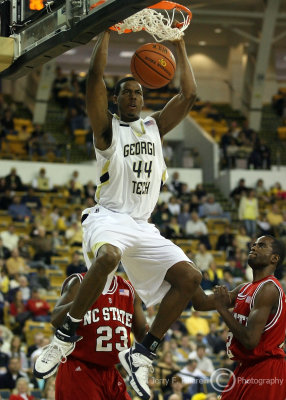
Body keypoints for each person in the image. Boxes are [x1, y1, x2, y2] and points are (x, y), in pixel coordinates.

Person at [34, 29, 201, 400]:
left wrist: (180, 45)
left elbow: (188, 94)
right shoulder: (107, 130)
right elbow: (94, 77)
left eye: (138, 91)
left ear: (144, 97)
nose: (133, 96)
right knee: (108, 256)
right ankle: (66, 335)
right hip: (107, 217)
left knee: (190, 277)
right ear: (115, 98)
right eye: (126, 91)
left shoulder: (154, 127)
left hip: (141, 226)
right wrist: (107, 29)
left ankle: (143, 353)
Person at [191, 235, 286, 400]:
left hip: (266, 368)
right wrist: (189, 274)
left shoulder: (269, 288)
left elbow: (250, 340)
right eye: (254, 244)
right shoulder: (244, 288)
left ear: (274, 258)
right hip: (245, 367)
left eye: (261, 245)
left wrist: (222, 309)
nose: (254, 247)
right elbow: (202, 303)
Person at [49, 271, 147, 399]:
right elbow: (55, 319)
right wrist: (82, 301)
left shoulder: (129, 289)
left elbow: (141, 336)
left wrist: (158, 328)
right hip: (79, 367)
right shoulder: (79, 281)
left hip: (111, 371)